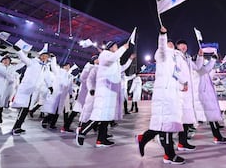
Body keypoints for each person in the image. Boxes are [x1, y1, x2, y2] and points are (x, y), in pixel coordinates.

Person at [136, 26, 186, 164]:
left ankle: (144, 138)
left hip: (172, 93)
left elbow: (176, 75)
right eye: (169, 43)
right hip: (164, 94)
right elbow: (162, 47)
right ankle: (169, 155)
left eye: (171, 43)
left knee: (163, 124)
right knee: (167, 124)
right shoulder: (161, 54)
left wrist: (183, 84)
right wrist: (163, 35)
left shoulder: (173, 61)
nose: (171, 44)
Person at [76, 40, 129, 147]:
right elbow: (112, 59)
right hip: (104, 90)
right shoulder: (105, 55)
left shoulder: (113, 59)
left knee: (106, 118)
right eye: (115, 46)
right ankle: (82, 132)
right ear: (110, 47)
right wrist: (123, 48)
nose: (116, 47)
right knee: (98, 116)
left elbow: (120, 69)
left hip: (110, 92)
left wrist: (130, 60)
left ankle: (101, 140)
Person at [10, 48, 53, 136]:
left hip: (33, 91)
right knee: (23, 109)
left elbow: (47, 77)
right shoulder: (33, 62)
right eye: (44, 55)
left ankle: (18, 127)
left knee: (25, 110)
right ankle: (16, 128)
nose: (45, 57)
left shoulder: (46, 66)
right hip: (26, 89)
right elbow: (24, 58)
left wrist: (50, 86)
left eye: (47, 56)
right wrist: (19, 51)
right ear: (40, 56)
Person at [41, 62, 73, 130]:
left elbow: (70, 86)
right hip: (57, 94)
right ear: (64, 66)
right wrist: (53, 59)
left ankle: (52, 124)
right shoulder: (59, 72)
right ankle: (45, 120)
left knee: (58, 111)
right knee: (53, 110)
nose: (68, 67)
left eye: (69, 66)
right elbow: (53, 66)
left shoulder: (69, 76)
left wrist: (70, 94)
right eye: (67, 66)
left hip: (63, 95)